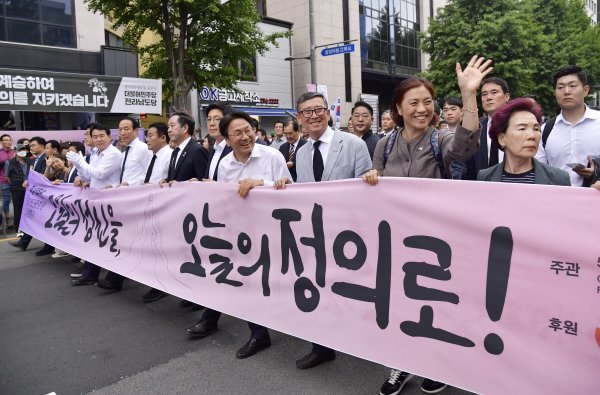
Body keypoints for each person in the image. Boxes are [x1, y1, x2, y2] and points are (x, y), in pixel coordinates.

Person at [363, 55, 492, 395]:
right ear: (399, 109)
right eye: (414, 103)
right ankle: (400, 365)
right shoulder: (384, 145)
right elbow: (372, 192)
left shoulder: (441, 139)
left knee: (435, 305)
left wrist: (468, 95)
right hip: (395, 242)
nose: (422, 108)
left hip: (436, 244)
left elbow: (466, 145)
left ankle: (438, 365)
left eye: (427, 102)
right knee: (399, 306)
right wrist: (371, 178)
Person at [275, 91, 372, 370]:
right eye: (306, 112)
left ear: (328, 113)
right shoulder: (303, 152)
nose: (313, 116)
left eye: (318, 110)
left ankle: (365, 341)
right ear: (300, 119)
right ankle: (322, 347)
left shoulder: (352, 144)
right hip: (315, 236)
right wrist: (286, 186)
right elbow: (304, 193)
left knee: (352, 291)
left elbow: (369, 191)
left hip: (350, 235)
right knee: (318, 290)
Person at [186, 111, 292, 361]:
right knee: (246, 284)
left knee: (279, 283)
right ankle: (258, 334)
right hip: (242, 234)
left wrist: (261, 184)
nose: (246, 137)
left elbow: (290, 191)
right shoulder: (225, 165)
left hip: (274, 233)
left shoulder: (272, 155)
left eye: (249, 130)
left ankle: (295, 325)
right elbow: (226, 198)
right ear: (227, 138)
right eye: (238, 133)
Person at [96, 116, 153, 292]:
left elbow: (149, 174)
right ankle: (116, 279)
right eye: (120, 129)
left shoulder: (143, 149)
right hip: (124, 200)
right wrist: (113, 186)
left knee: (131, 241)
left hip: (137, 201)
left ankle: (117, 279)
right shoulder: (124, 151)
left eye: (127, 129)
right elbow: (125, 177)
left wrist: (131, 185)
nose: (122, 132)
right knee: (125, 240)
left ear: (136, 131)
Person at [67, 124, 123, 286]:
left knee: (111, 242)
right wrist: (79, 166)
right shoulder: (97, 153)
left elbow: (99, 173)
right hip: (96, 201)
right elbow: (89, 174)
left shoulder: (113, 154)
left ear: (109, 137)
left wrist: (80, 162)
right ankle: (90, 274)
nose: (98, 139)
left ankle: (112, 278)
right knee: (95, 240)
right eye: (95, 136)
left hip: (110, 203)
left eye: (101, 136)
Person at [478, 98, 570, 185]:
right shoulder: (485, 177)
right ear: (502, 138)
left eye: (536, 129)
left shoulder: (558, 179)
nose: (532, 136)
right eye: (522, 128)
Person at [535, 65, 600, 187]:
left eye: (573, 86)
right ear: (555, 92)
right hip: (556, 201)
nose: (566, 91)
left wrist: (597, 172)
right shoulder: (545, 130)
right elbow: (540, 171)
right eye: (560, 87)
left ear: (586, 90)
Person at [9, 136, 50, 253]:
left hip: (43, 194)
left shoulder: (45, 158)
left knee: (43, 220)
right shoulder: (33, 159)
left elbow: (44, 176)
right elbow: (31, 174)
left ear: (41, 146)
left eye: (33, 145)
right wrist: (27, 180)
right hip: (35, 193)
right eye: (30, 146)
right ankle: (23, 243)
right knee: (33, 219)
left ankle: (48, 246)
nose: (31, 148)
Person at [465, 77, 511, 179]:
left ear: (506, 96)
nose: (488, 97)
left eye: (494, 92)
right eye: (484, 94)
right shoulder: (476, 129)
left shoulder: (517, 126)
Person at [5, 144, 30, 235]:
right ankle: (18, 228)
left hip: (29, 187)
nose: (22, 151)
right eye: (20, 150)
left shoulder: (28, 160)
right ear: (15, 151)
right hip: (16, 188)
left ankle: (28, 227)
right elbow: (7, 176)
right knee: (18, 208)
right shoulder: (10, 162)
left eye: (24, 149)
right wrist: (15, 184)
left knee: (28, 208)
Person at [204, 103, 233, 181]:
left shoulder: (234, 149)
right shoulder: (214, 148)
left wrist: (216, 186)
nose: (212, 123)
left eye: (217, 119)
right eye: (209, 119)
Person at [279, 117, 306, 182]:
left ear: (298, 131)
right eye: (285, 134)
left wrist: (293, 164)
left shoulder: (306, 145)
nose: (288, 137)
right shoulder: (282, 147)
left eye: (290, 133)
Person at [0, 134, 15, 228]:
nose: (8, 142)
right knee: (6, 199)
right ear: (1, 142)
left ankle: (17, 218)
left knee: (17, 200)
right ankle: (7, 217)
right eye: (5, 140)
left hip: (16, 180)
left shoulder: (15, 152)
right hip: (3, 180)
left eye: (9, 140)